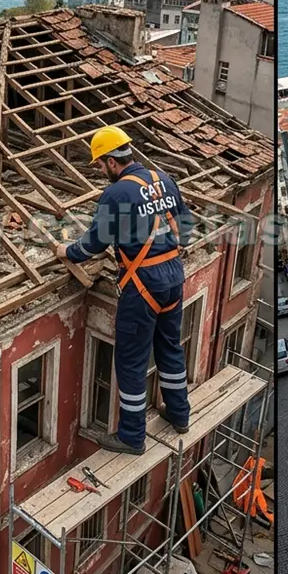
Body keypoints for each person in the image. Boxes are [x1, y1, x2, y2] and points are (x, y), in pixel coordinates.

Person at [54, 126, 195, 455]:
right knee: (170, 347)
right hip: (173, 277)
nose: (101, 172)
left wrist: (66, 251)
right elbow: (186, 229)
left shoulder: (116, 194)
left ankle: (132, 436)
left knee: (131, 360)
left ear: (110, 161)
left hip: (142, 285)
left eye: (100, 165)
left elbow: (95, 242)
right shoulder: (164, 179)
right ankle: (179, 414)